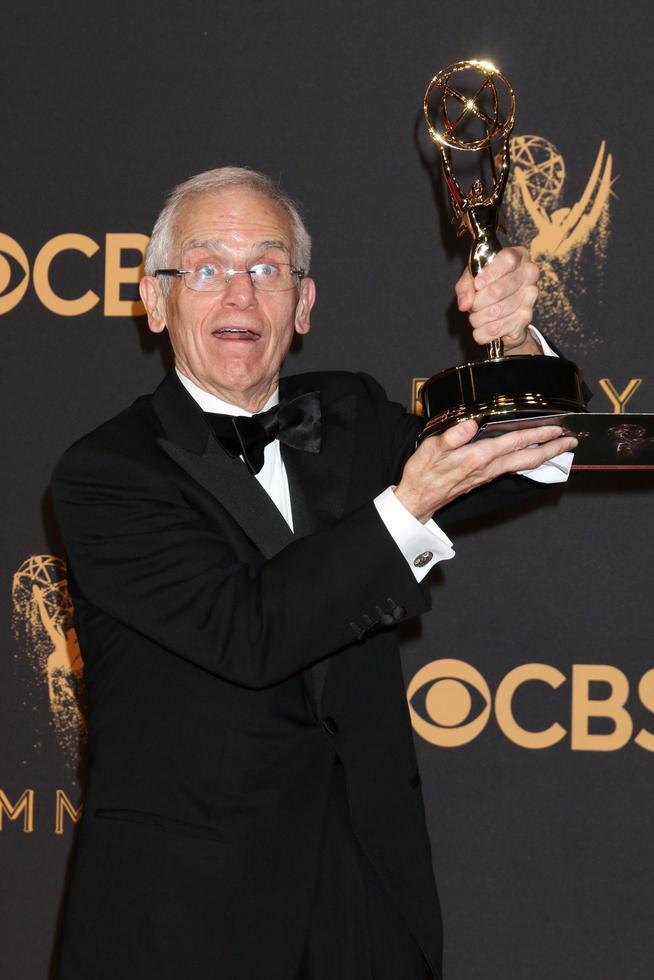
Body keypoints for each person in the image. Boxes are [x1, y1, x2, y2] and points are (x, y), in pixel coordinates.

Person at [52, 167, 577, 980]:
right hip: (184, 924)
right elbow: (250, 632)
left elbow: (527, 452)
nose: (240, 296)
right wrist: (406, 507)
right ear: (155, 301)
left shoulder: (351, 415)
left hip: (367, 907)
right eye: (207, 268)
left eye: (267, 269)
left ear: (303, 304)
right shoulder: (104, 475)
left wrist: (513, 345)